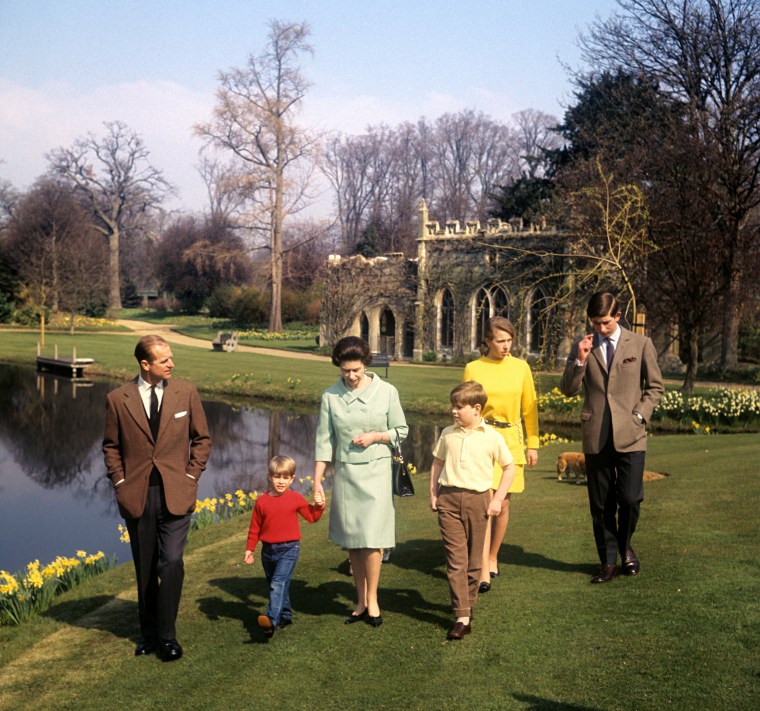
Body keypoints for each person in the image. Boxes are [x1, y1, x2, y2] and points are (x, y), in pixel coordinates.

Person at [103, 335, 211, 661]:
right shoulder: (117, 399)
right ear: (145, 364)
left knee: (173, 562)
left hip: (177, 493)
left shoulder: (186, 392)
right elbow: (111, 447)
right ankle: (148, 634)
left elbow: (202, 440)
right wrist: (120, 482)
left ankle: (167, 636)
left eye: (171, 358)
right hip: (137, 495)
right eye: (165, 360)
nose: (172, 364)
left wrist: (192, 476)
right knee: (146, 569)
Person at [560, 292, 663, 584]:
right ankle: (608, 561)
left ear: (617, 317)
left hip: (631, 434)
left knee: (630, 498)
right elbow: (568, 389)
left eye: (605, 322)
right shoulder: (584, 346)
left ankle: (625, 545)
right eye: (595, 323)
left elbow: (655, 387)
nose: (600, 328)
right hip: (596, 434)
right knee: (601, 504)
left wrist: (641, 415)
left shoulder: (641, 344)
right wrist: (579, 361)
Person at [313, 336, 407, 628]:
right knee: (353, 541)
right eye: (345, 371)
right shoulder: (330, 397)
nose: (351, 376)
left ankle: (374, 599)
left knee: (372, 539)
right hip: (346, 475)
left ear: (366, 363)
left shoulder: (387, 391)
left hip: (377, 473)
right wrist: (317, 482)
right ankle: (360, 600)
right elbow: (323, 443)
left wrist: (376, 436)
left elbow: (401, 430)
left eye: (356, 370)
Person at [430, 381, 514, 640]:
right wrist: (433, 493)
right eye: (453, 406)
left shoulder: (492, 437)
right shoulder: (447, 433)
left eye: (459, 407)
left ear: (477, 408)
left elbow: (509, 468)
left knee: (475, 562)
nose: (454, 411)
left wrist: (497, 500)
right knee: (456, 560)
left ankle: (466, 604)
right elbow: (437, 462)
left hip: (479, 501)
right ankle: (462, 615)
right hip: (449, 500)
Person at [463, 316, 539, 592]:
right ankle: (482, 566)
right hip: (482, 438)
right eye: (500, 341)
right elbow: (466, 406)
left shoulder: (521, 368)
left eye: (509, 340)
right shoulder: (473, 368)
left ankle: (493, 555)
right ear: (487, 341)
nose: (506, 346)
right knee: (485, 504)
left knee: (503, 503)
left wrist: (533, 443)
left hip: (511, 440)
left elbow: (530, 408)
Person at [244, 455, 325, 638]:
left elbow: (311, 517)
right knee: (280, 583)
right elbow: (254, 528)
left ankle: (271, 620)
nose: (281, 482)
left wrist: (319, 506)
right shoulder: (262, 502)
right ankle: (286, 615)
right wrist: (250, 550)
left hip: (289, 549)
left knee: (277, 583)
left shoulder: (295, 498)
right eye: (277, 477)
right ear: (269, 477)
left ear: (292, 479)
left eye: (285, 478)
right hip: (267, 551)